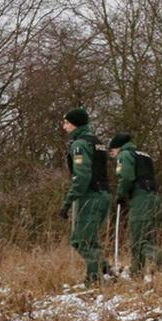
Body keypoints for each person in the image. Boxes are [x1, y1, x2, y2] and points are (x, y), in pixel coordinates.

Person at [108, 133, 162, 278]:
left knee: (140, 241)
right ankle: (136, 271)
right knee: (147, 239)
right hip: (154, 199)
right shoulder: (144, 155)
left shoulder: (124, 155)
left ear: (118, 147)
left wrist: (120, 195)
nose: (112, 154)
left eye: (112, 151)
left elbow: (126, 177)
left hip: (140, 200)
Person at [58, 108, 113, 284]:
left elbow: (81, 176)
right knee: (91, 240)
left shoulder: (80, 144)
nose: (64, 126)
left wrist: (68, 201)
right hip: (103, 194)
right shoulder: (97, 142)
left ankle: (94, 279)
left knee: (80, 241)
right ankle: (108, 273)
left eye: (66, 122)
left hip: (90, 196)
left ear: (75, 124)